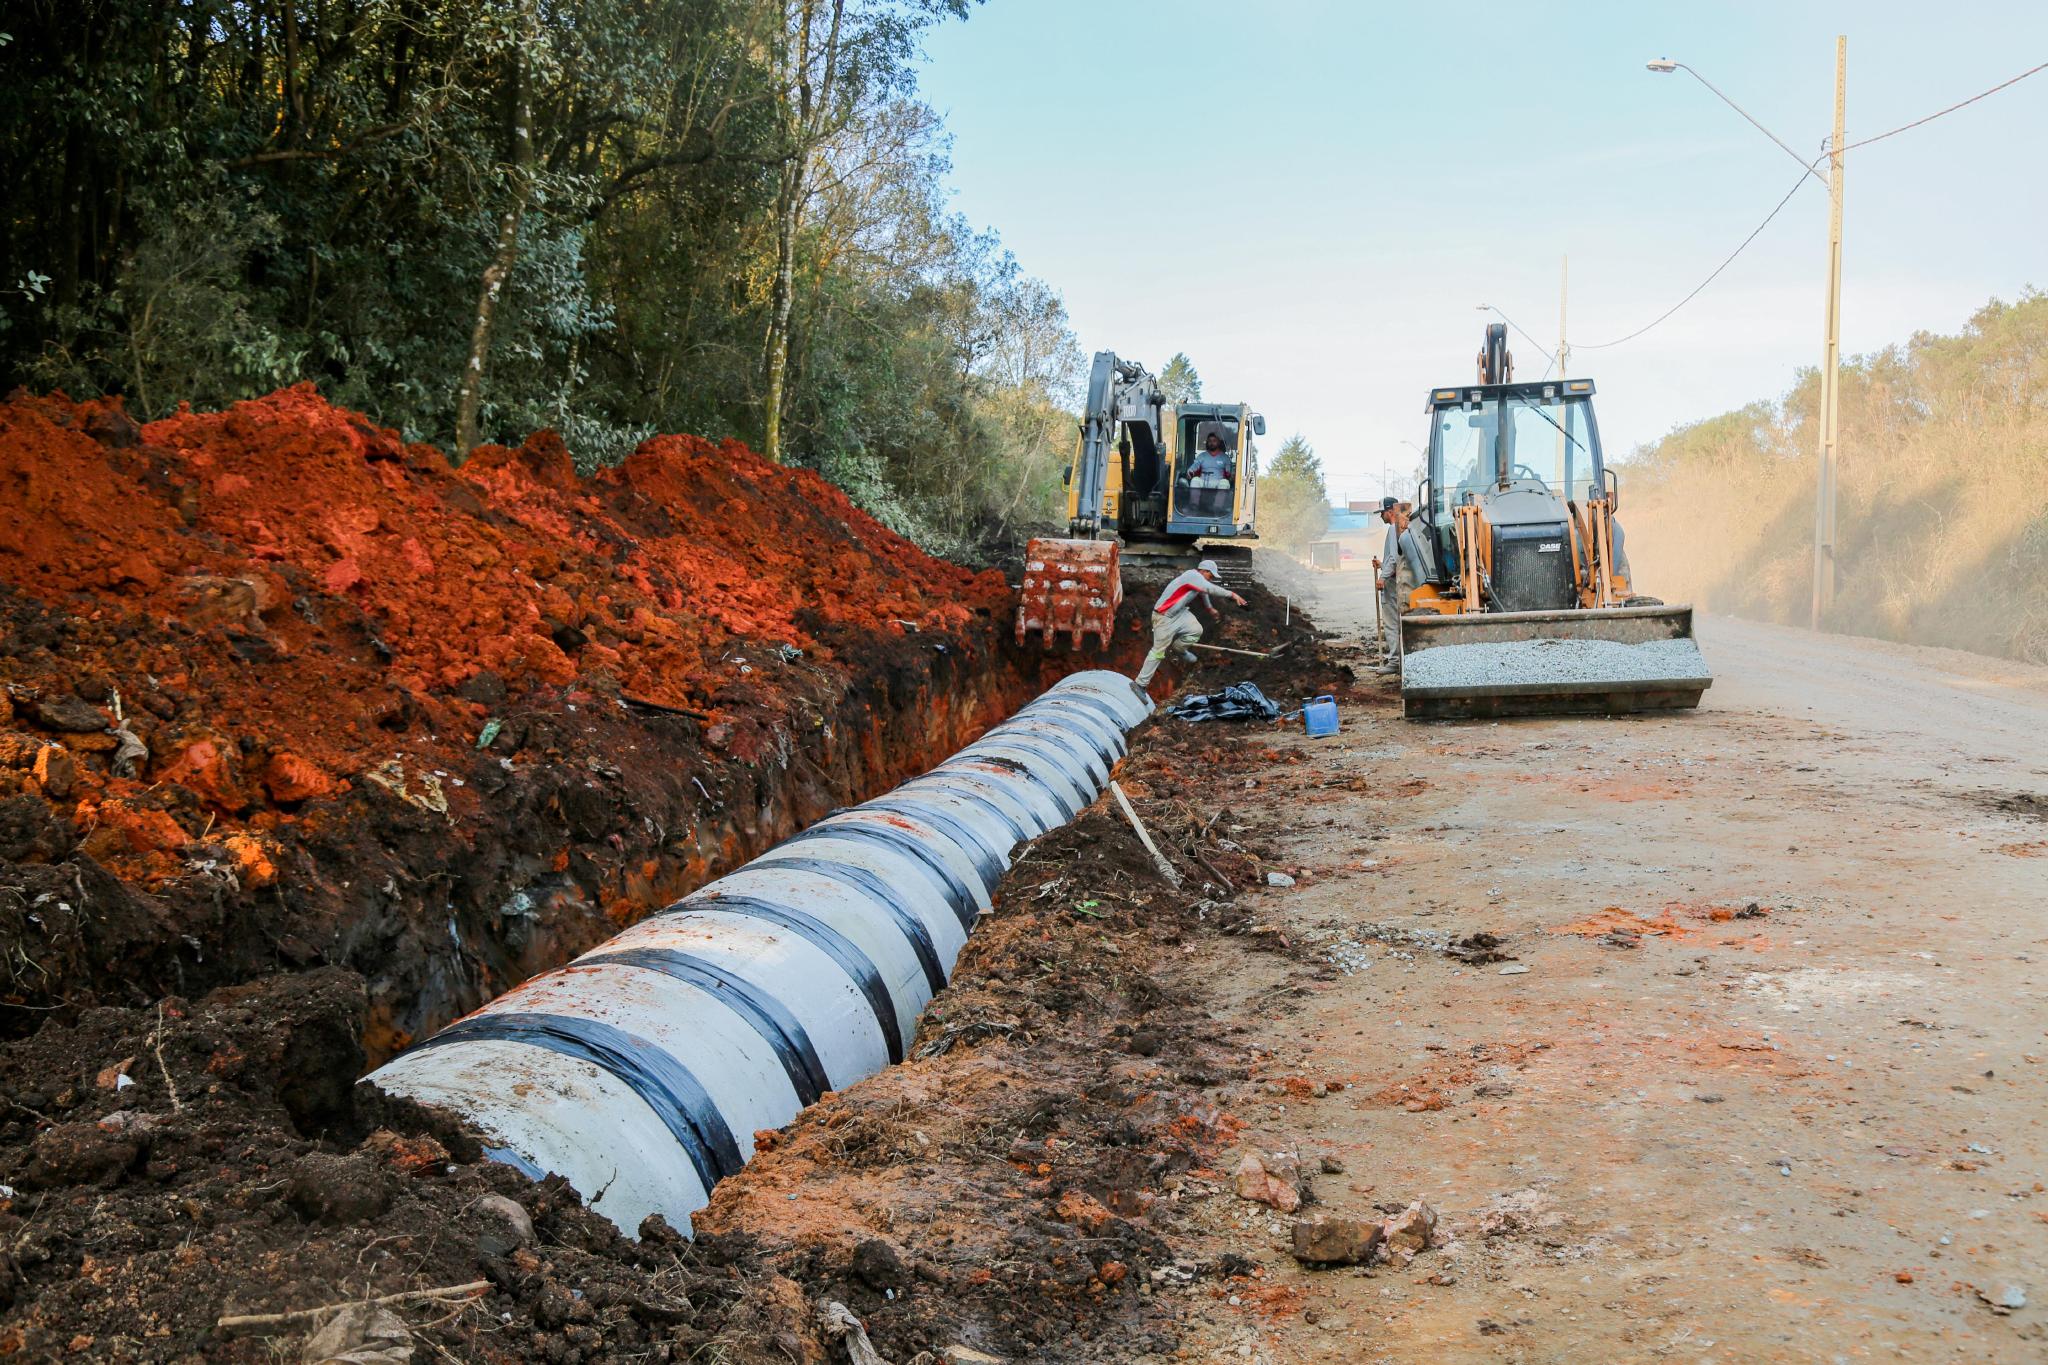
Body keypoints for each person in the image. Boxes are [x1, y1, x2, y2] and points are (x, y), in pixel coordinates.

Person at [1133, 558, 1246, 693]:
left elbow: (1202, 591)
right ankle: (1140, 684)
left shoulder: (1198, 579)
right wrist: (1232, 594)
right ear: (1204, 571)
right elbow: (1208, 588)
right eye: (1210, 575)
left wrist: (1209, 608)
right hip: (1163, 617)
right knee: (1158, 652)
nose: (1211, 579)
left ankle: (1179, 649)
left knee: (1196, 630)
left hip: (1179, 613)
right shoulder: (1193, 576)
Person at [1186, 432, 1235, 517]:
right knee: (1195, 480)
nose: (1212, 443)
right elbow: (1194, 467)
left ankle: (1217, 508)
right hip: (1203, 480)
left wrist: (1231, 475)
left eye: (1214, 441)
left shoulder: (1225, 457)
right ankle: (1193, 506)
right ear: (1207, 443)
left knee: (1225, 483)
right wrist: (1190, 471)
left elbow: (1229, 472)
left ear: (1218, 443)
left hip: (1217, 481)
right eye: (1209, 441)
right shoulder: (1202, 456)